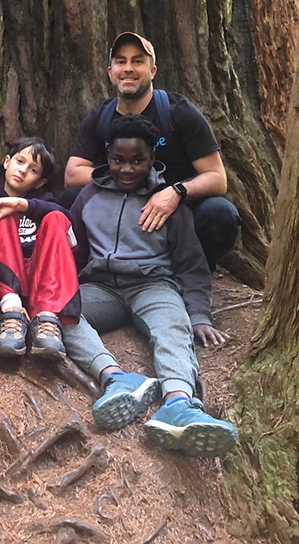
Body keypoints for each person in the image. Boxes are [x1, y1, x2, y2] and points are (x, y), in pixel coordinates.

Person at [63, 114, 238, 457]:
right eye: (118, 161)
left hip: (153, 286)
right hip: (101, 286)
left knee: (173, 326)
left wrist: (199, 315)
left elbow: (191, 264)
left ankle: (178, 403)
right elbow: (75, 250)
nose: (127, 169)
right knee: (62, 312)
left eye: (137, 161)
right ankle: (115, 378)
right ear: (107, 158)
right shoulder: (88, 197)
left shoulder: (166, 200)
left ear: (152, 160)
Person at [63, 31, 241, 270]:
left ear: (152, 71)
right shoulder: (100, 117)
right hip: (117, 207)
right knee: (68, 201)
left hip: (171, 211)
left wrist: (175, 192)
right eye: (120, 61)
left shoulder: (178, 112)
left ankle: (191, 276)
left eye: (137, 61)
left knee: (220, 214)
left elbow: (217, 179)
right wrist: (129, 182)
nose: (128, 68)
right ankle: (92, 273)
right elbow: (73, 174)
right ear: (110, 72)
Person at [0, 137, 80, 360]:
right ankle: (12, 316)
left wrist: (22, 205)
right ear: (7, 161)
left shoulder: (45, 203)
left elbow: (66, 221)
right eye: (20, 161)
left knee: (55, 217)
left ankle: (48, 317)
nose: (23, 170)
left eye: (33, 169)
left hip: (40, 287)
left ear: (40, 181)